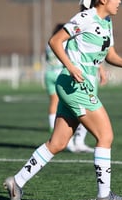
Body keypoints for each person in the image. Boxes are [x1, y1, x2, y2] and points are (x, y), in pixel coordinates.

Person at [4, 0, 122, 200]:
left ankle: (16, 183)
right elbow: (55, 41)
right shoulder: (85, 18)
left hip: (79, 85)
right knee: (105, 135)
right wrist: (70, 66)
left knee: (57, 143)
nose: (120, 0)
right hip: (75, 85)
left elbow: (110, 55)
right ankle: (104, 196)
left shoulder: (107, 22)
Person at [44, 23, 107, 153]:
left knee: (55, 103)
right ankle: (76, 141)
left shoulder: (48, 45)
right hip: (68, 74)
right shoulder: (66, 40)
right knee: (85, 110)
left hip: (49, 73)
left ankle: (55, 130)